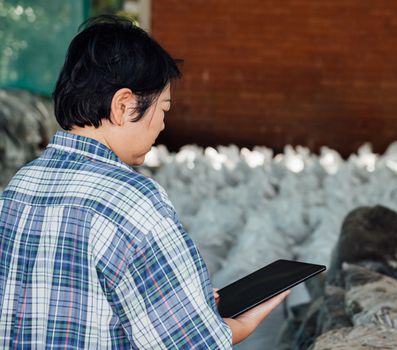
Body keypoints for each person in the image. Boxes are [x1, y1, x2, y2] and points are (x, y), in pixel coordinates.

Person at [0, 15, 288, 349]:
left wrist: (176, 301)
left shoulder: (22, 184)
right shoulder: (133, 200)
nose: (162, 124)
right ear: (124, 105)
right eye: (163, 109)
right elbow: (189, 344)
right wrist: (237, 326)